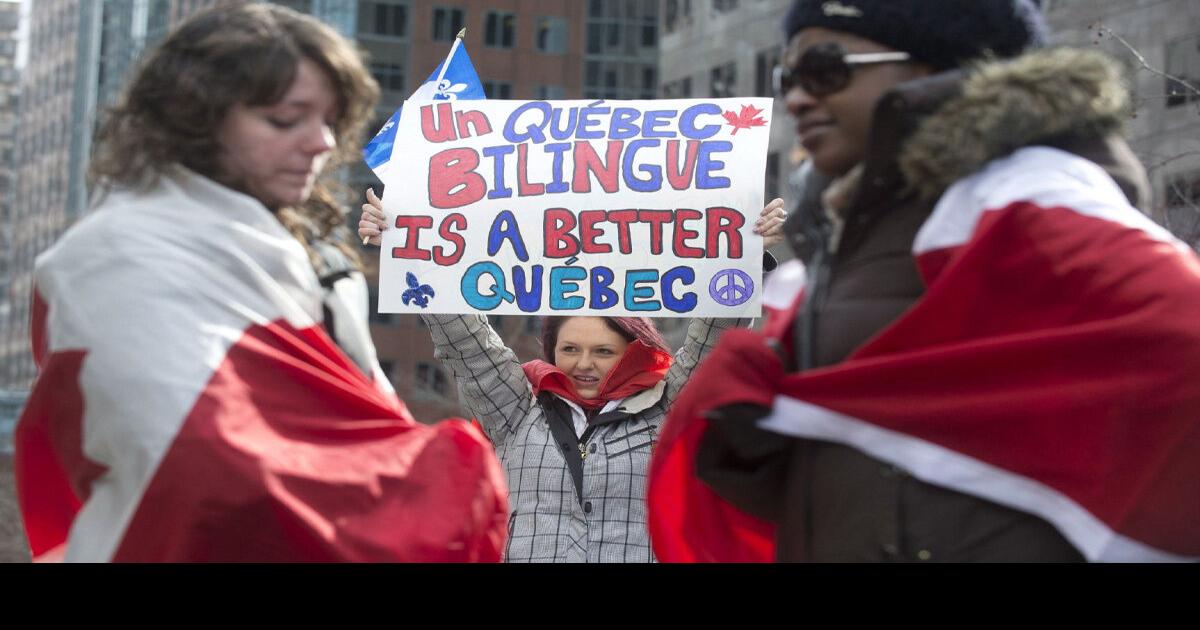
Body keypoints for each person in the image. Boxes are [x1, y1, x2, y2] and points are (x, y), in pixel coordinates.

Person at [647, 0, 1200, 562]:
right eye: (787, 78)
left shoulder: (1031, 215)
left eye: (824, 70)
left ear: (935, 65)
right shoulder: (847, 244)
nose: (796, 98)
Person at [16, 2, 507, 562]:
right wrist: (443, 483)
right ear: (196, 120)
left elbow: (358, 417)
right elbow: (206, 463)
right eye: (285, 119)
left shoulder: (312, 258)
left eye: (329, 121)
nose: (323, 142)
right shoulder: (115, 255)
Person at [359, 192, 786, 562]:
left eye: (603, 352)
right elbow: (464, 339)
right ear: (551, 351)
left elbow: (712, 341)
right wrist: (404, 245)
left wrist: (747, 254)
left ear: (632, 352)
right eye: (570, 350)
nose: (584, 364)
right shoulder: (516, 410)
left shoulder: (668, 408)